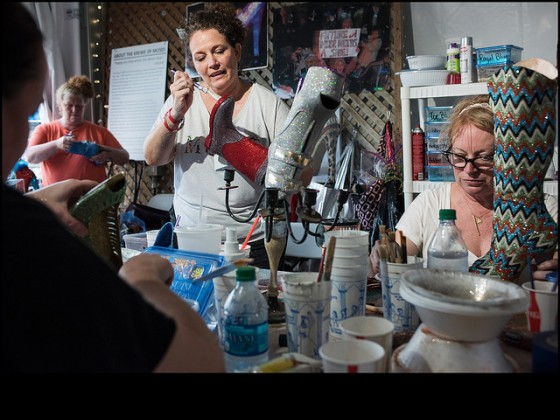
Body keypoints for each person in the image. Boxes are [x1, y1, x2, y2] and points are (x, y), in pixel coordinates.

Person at [2, 2, 224, 373]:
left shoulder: (91, 135)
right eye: (28, 109)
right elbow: (199, 364)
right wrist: (140, 282)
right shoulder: (25, 238)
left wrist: (40, 202)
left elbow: (125, 154)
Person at [143, 3, 291, 268]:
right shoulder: (181, 101)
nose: (211, 63)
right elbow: (153, 157)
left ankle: (229, 140)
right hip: (192, 240)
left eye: (218, 51)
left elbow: (297, 174)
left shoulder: (267, 104)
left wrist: (246, 151)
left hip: (252, 243)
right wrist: (176, 113)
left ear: (236, 52)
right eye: (200, 57)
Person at [368, 94, 558, 283]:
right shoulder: (430, 204)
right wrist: (382, 256)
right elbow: (395, 259)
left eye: (484, 157)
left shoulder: (543, 209)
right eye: (459, 157)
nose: (469, 170)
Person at [26, 75, 129, 186]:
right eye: (69, 105)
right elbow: (30, 157)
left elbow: (124, 157)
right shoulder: (45, 130)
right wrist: (56, 144)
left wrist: (105, 152)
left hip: (93, 199)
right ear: (60, 107)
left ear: (85, 106)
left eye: (79, 106)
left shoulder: (99, 132)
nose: (74, 110)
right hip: (57, 200)